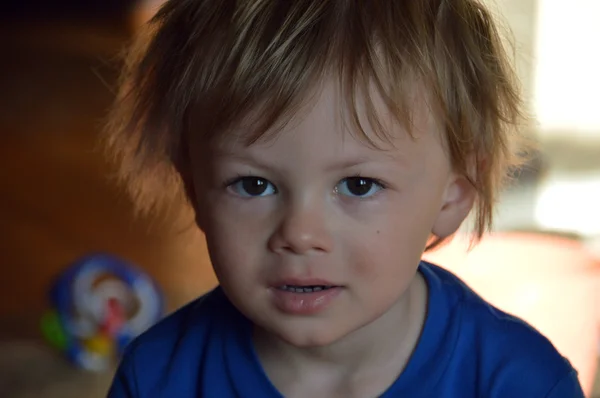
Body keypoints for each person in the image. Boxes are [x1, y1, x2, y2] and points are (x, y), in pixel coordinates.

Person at [105, 0, 585, 396]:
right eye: (253, 184)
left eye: (358, 184)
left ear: (452, 196)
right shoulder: (157, 379)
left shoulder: (519, 383)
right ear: (194, 188)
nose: (300, 234)